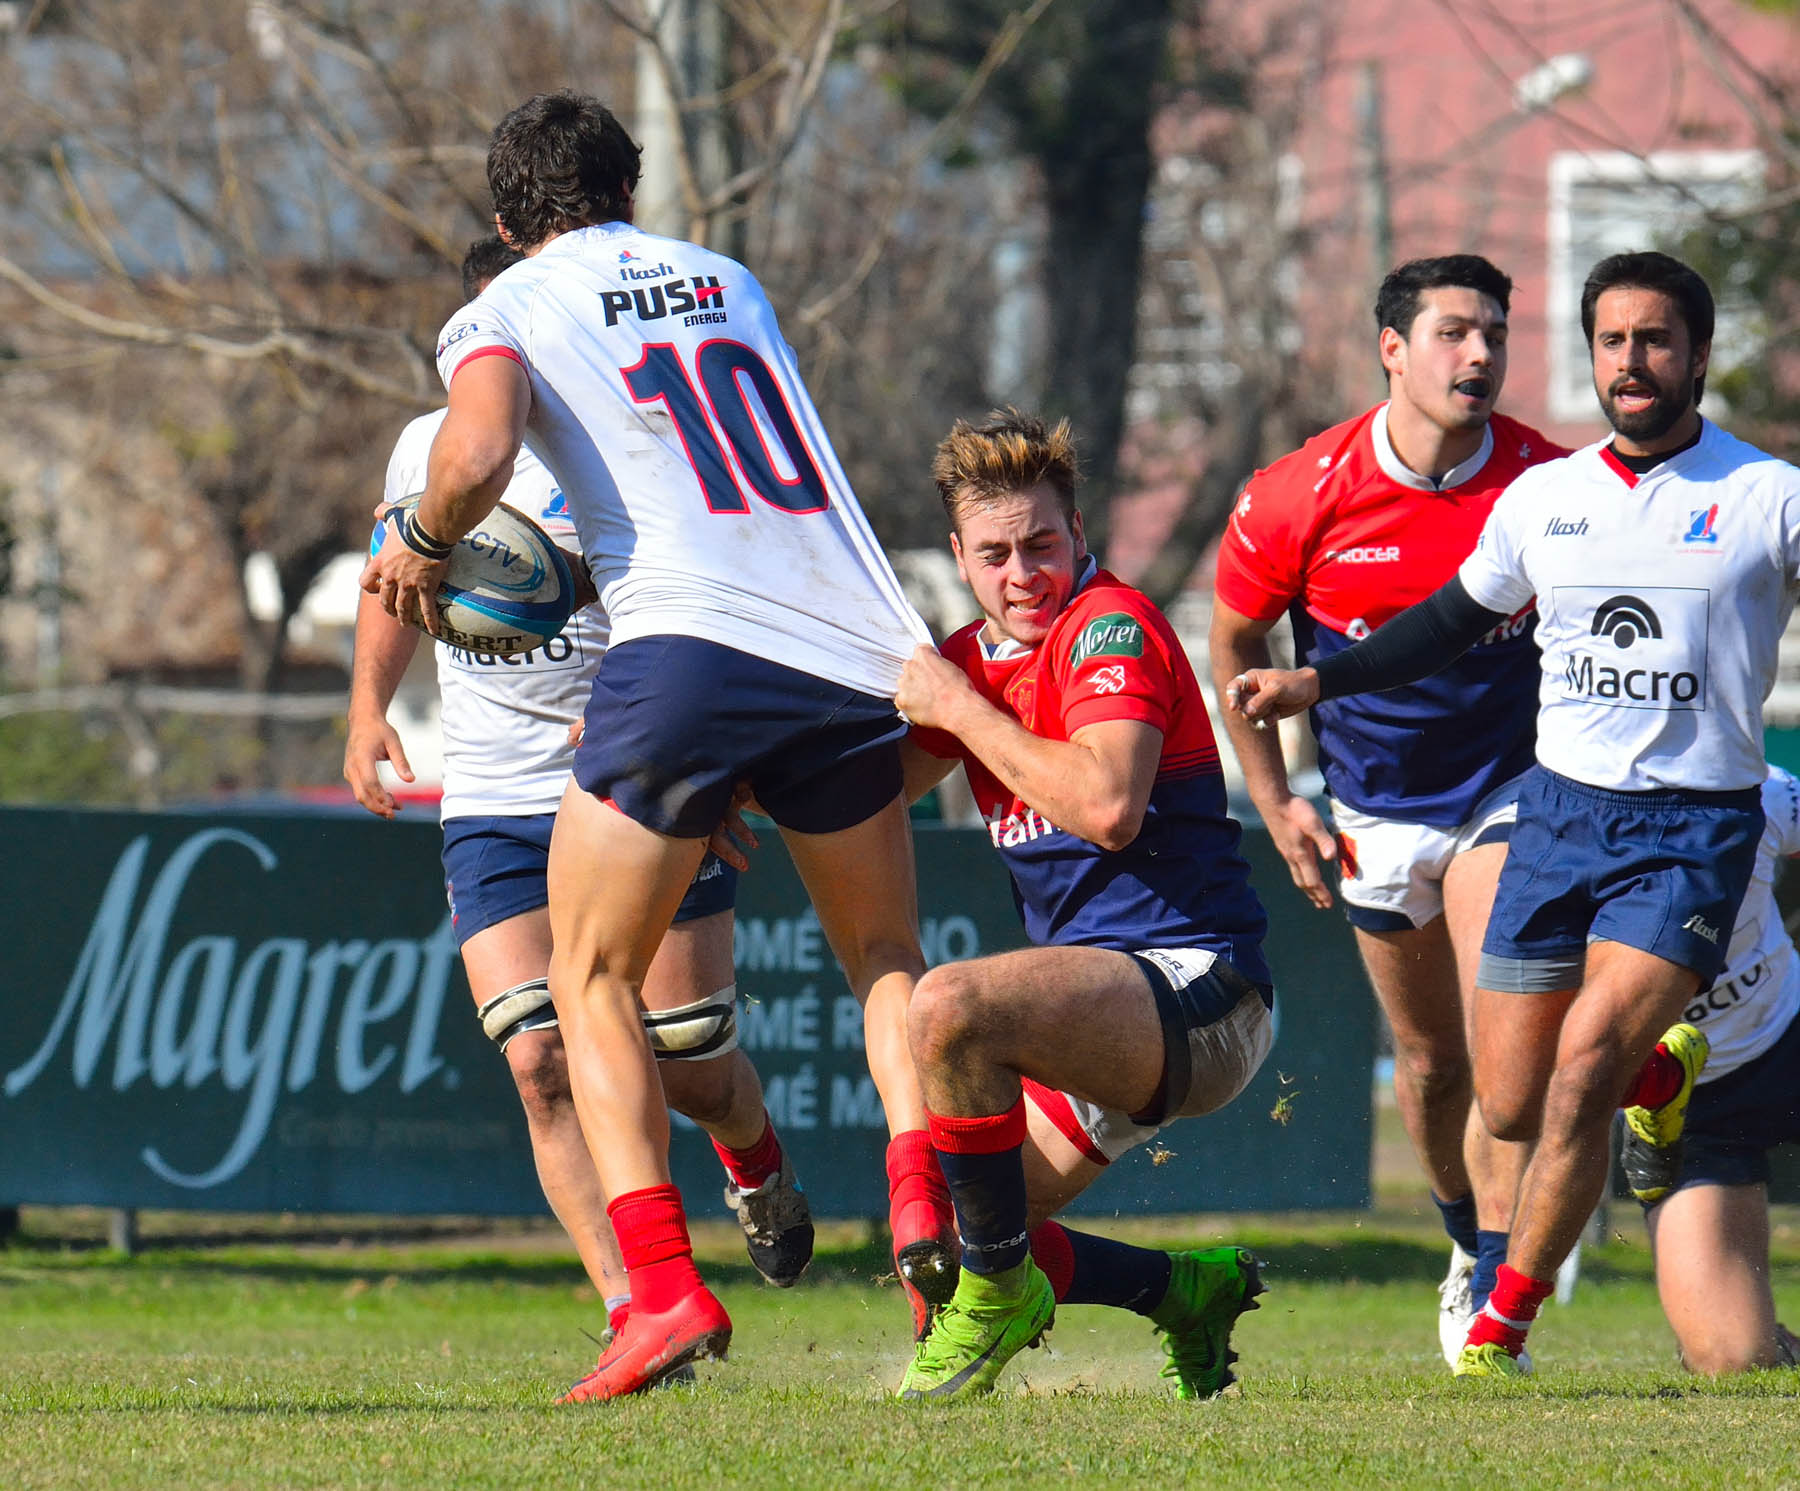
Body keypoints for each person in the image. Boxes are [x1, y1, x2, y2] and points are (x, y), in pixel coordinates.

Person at [360, 93, 954, 1400]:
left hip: (685, 649)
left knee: (591, 977)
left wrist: (421, 538)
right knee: (886, 958)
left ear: (508, 223)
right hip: (849, 640)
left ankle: (665, 1290)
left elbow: (477, 446)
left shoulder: (508, 300)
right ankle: (922, 1199)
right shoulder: (727, 278)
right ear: (630, 190)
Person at [1226, 250, 1800, 1377]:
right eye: (1614, 342)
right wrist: (1314, 688)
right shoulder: (1548, 499)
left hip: (1665, 833)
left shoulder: (1767, 496)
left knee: (1585, 1059)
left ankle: (1502, 1323)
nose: (1634, 363)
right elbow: (1441, 624)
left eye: (1657, 341)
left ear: (1699, 356)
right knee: (1500, 1093)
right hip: (1544, 826)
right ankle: (1636, 1104)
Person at [345, 238, 815, 1330]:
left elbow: (718, 606)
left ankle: (753, 1156)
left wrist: (720, 762)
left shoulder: (637, 441)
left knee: (691, 1062)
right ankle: (636, 1306)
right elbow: (390, 570)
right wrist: (368, 707)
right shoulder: (429, 447)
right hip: (492, 798)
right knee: (541, 1060)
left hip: (631, 782)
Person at [1209, 255, 1564, 1365]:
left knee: (1504, 1053)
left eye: (1496, 335)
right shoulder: (1295, 493)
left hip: (1507, 790)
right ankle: (1466, 1240)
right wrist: (1277, 803)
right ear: (1393, 349)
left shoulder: (1548, 485)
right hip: (1370, 810)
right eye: (1455, 332)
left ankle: (1504, 1288)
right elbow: (1233, 646)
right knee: (1432, 1065)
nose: (1480, 355)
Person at [891, 410, 1272, 1400]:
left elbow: (1108, 807)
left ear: (1079, 532)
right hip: (1104, 1012)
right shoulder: (973, 661)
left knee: (947, 1007)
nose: (1022, 573)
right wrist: (707, 782)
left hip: (1202, 989)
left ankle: (1007, 1301)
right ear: (958, 558)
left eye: (1041, 545)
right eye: (995, 553)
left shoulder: (1109, 625)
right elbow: (861, 791)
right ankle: (1185, 1290)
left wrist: (959, 709)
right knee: (946, 1237)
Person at [1621, 766, 1800, 1374]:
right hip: (1690, 1102)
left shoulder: (1760, 788)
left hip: (1787, 1030)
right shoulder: (1554, 834)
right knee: (1734, 1361)